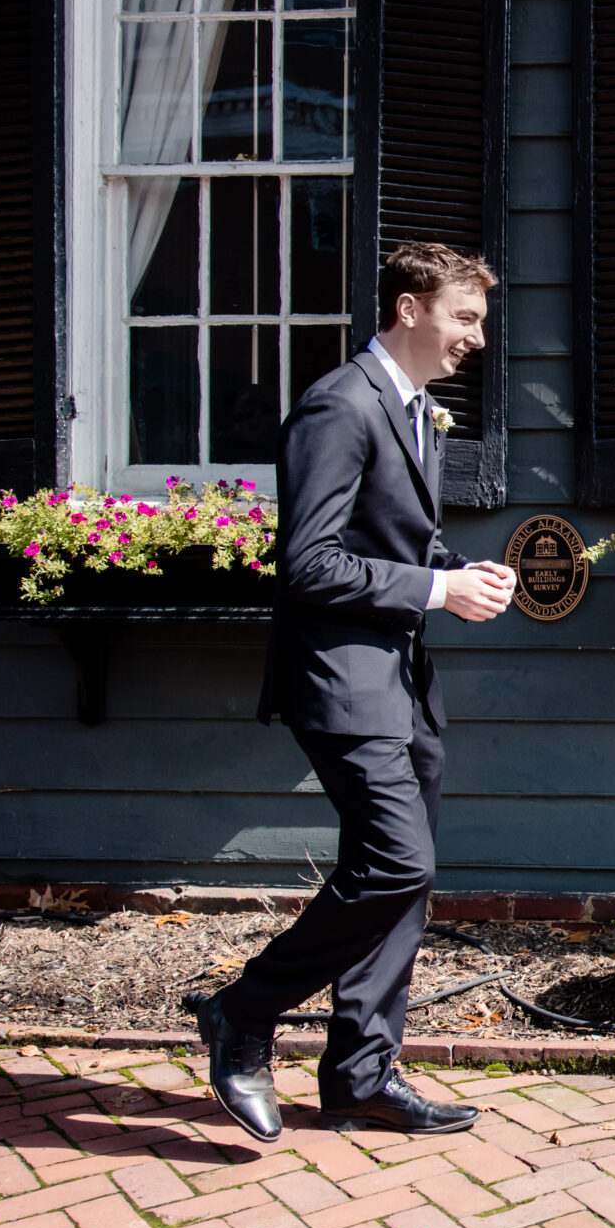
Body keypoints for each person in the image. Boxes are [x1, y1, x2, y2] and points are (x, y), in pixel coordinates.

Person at [184, 242, 518, 1141]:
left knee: (405, 878)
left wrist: (454, 570)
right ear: (410, 309)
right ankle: (243, 1013)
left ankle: (362, 1073)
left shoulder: (414, 410)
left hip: (402, 681)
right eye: (465, 318)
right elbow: (309, 564)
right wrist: (437, 592)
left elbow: (386, 540)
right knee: (395, 862)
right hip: (339, 681)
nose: (476, 338)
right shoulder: (338, 405)